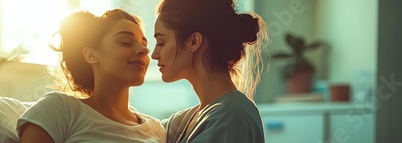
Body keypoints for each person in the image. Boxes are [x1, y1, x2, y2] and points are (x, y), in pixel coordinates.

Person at [17, 9, 166, 143]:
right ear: (91, 54)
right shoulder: (60, 109)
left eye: (144, 44)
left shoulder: (156, 130)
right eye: (125, 42)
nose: (144, 51)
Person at [151, 0, 268, 142]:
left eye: (161, 43)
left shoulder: (230, 117)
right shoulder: (186, 120)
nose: (154, 54)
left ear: (194, 42)